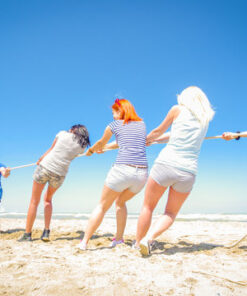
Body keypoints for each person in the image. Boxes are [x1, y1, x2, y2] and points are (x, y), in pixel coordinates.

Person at [135, 86, 215, 255]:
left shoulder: (177, 109)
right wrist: (154, 141)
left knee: (147, 207)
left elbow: (159, 130)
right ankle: (149, 238)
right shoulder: (205, 118)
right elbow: (173, 134)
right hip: (188, 172)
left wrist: (147, 139)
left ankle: (137, 243)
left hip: (166, 164)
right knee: (170, 213)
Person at [77, 98, 148, 250]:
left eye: (113, 112)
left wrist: (91, 151)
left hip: (122, 170)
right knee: (120, 202)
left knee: (102, 206)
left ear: (120, 110)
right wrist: (106, 148)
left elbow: (100, 143)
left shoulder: (113, 125)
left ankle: (84, 242)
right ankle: (119, 239)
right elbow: (122, 142)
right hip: (141, 174)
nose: (112, 115)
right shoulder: (142, 125)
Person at [18, 125, 90, 242]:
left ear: (73, 129)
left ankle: (27, 234)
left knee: (34, 201)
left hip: (45, 167)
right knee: (48, 200)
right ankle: (46, 231)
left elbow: (51, 149)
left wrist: (41, 158)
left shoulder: (62, 134)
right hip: (60, 174)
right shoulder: (82, 146)